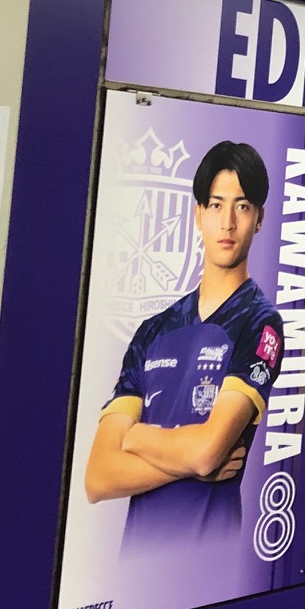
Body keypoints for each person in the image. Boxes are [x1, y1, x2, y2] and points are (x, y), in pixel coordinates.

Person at [84, 142, 284, 543]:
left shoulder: (259, 323)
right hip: (135, 559)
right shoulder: (153, 331)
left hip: (208, 556)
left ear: (259, 219)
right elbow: (98, 477)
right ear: (198, 214)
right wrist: (191, 461)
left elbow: (207, 451)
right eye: (216, 205)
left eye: (243, 207)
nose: (228, 223)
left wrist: (136, 438)